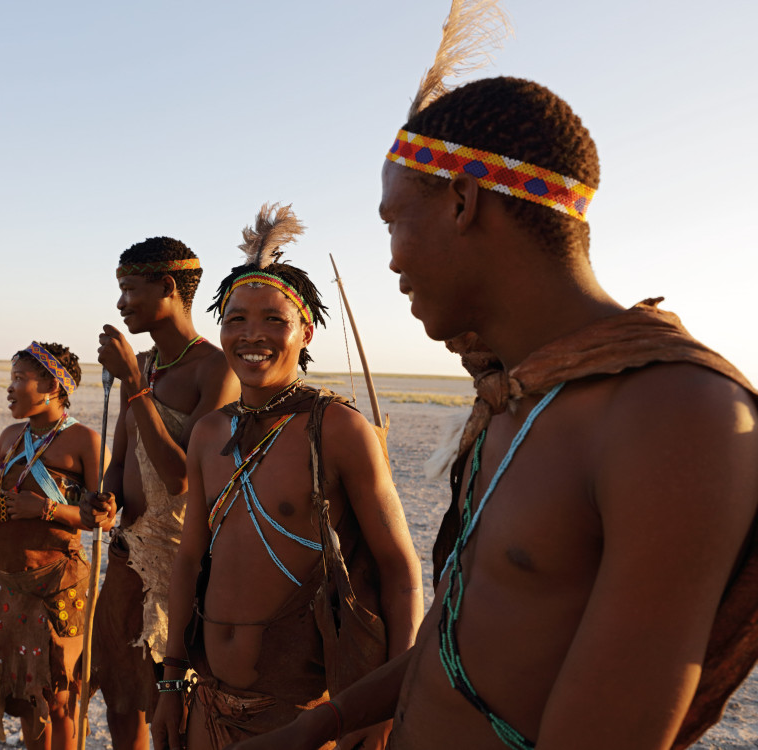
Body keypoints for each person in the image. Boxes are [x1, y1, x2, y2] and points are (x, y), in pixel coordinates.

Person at [224, 10, 758, 750]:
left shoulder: (672, 415)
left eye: (393, 223)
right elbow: (455, 646)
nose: (393, 261)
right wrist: (322, 725)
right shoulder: (514, 398)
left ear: (462, 202)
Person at [151, 204, 424, 750]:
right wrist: (170, 681)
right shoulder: (209, 433)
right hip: (206, 698)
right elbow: (188, 561)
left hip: (305, 715)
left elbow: (400, 572)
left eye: (274, 319)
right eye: (236, 319)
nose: (253, 335)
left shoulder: (338, 429)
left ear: (306, 331)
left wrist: (389, 705)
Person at [79, 237, 239, 750]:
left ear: (168, 288)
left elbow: (180, 477)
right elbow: (121, 460)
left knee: (175, 717)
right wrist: (102, 499)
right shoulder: (144, 365)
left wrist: (134, 385)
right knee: (121, 704)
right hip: (125, 564)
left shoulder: (215, 370)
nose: (121, 303)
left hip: (178, 572)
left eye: (129, 289)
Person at [0, 341, 107, 750]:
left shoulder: (85, 442)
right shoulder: (10, 437)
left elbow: (102, 518)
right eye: (12, 378)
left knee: (58, 696)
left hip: (58, 586)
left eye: (20, 379)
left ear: (54, 386)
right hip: (9, 585)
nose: (10, 388)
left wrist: (44, 510)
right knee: (26, 696)